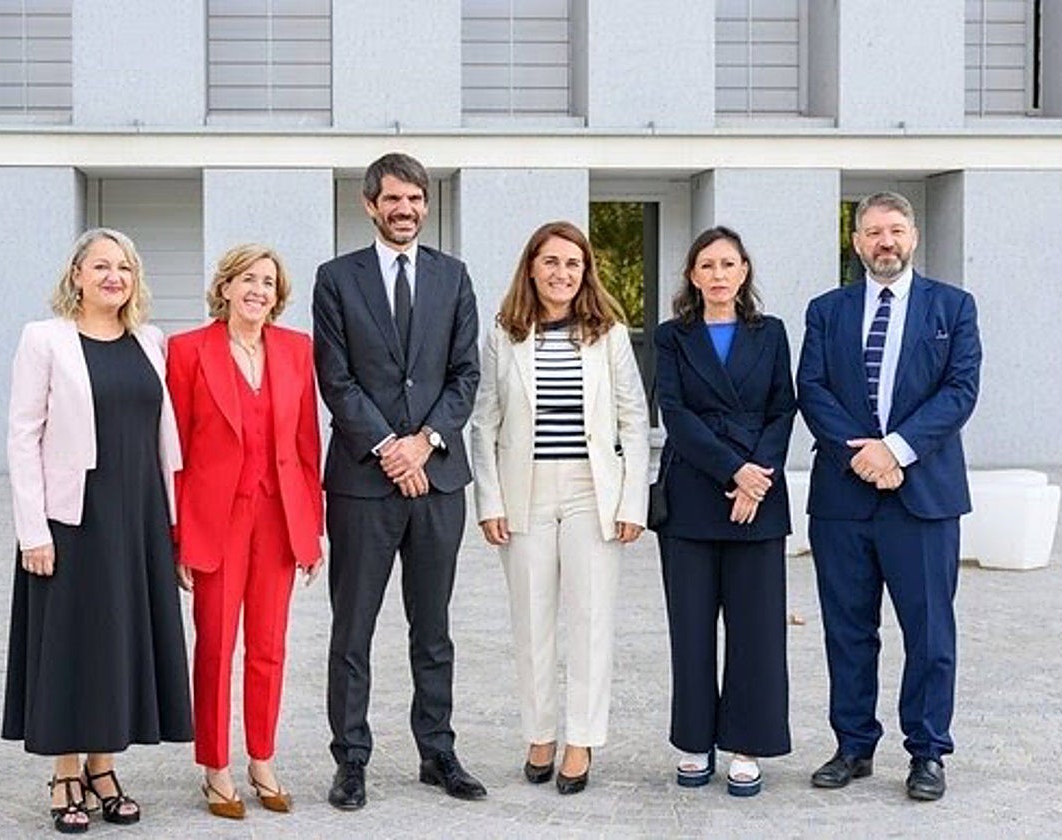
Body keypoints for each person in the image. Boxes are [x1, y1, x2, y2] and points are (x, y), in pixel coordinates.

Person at [2, 228, 193, 833]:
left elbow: (166, 436)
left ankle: (104, 766)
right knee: (71, 643)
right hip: (71, 518)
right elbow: (22, 436)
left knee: (118, 641)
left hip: (137, 515)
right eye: (102, 266)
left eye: (126, 269)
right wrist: (34, 530)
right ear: (77, 275)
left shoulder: (151, 340)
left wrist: (174, 524)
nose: (115, 277)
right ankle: (65, 770)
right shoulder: (45, 339)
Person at [312, 152, 484, 809]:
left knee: (433, 628)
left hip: (438, 481)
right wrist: (390, 447)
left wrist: (424, 444)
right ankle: (351, 759)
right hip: (363, 482)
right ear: (370, 204)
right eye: (393, 200)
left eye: (415, 199)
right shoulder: (336, 279)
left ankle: (437, 752)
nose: (406, 210)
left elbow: (464, 373)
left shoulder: (454, 276)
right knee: (353, 628)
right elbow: (335, 377)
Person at [797, 192, 981, 802]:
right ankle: (853, 745)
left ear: (914, 237)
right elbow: (813, 388)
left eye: (896, 230)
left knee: (930, 632)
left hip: (922, 496)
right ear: (855, 241)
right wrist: (863, 456)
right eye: (873, 231)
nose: (885, 242)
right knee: (848, 629)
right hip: (843, 499)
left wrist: (896, 450)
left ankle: (928, 751)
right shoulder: (827, 310)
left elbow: (960, 391)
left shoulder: (952, 307)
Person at [471, 220, 649, 795]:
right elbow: (485, 421)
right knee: (532, 623)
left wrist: (632, 500)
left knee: (591, 622)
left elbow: (633, 421)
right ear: (531, 268)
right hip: (523, 490)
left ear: (585, 271)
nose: (562, 274)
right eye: (551, 262)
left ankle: (581, 740)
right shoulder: (505, 332)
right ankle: (540, 733)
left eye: (573, 264)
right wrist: (489, 499)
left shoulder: (609, 333)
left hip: (590, 491)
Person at [166, 244, 324, 819]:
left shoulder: (295, 349)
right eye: (248, 279)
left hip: (278, 519)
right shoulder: (186, 352)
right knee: (215, 646)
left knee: (269, 647)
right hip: (216, 521)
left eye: (269, 282)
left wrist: (313, 529)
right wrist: (178, 533)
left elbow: (308, 444)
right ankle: (216, 765)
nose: (259, 290)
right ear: (226, 286)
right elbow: (175, 450)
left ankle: (261, 757)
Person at [651, 226, 796, 797]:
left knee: (757, 630)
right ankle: (694, 740)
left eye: (728, 264)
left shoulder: (772, 334)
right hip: (693, 494)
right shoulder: (671, 337)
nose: (717, 274)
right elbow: (675, 413)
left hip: (759, 497)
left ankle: (747, 744)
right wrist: (732, 471)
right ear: (692, 275)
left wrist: (755, 477)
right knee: (690, 627)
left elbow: (783, 407)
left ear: (744, 273)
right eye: (707, 265)